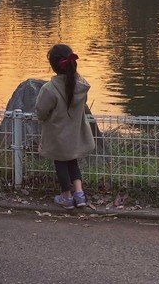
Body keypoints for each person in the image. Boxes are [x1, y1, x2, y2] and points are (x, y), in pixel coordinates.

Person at [35, 43, 96, 209]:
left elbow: (41, 111)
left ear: (53, 66)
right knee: (72, 162)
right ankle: (79, 194)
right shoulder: (80, 86)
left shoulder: (49, 89)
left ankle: (66, 197)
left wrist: (44, 119)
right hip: (75, 132)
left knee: (60, 163)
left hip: (57, 134)